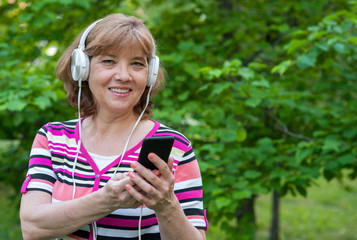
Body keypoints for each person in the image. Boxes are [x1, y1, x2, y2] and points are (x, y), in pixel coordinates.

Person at [19, 13, 208, 240]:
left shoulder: (175, 147)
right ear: (83, 68)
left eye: (137, 64)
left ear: (150, 74)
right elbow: (32, 228)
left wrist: (166, 205)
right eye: (108, 61)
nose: (123, 75)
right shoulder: (53, 138)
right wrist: (107, 199)